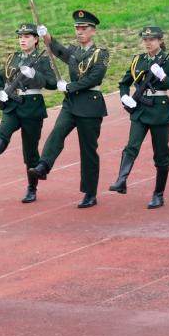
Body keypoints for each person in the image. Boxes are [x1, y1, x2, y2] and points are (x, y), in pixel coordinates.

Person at [28, 11, 109, 209]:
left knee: (88, 151)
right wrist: (47, 37)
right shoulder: (74, 51)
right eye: (77, 28)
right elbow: (60, 51)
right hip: (72, 103)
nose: (80, 32)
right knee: (57, 132)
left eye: (84, 28)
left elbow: (94, 78)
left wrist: (70, 86)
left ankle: (90, 193)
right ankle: (43, 166)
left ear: (93, 31)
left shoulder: (101, 54)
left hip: (90, 104)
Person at [0, 23, 56, 204]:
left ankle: (32, 188)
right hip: (12, 105)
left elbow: (52, 83)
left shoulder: (42, 59)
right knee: (2, 132)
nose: (22, 39)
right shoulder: (12, 58)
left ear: (36, 39)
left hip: (32, 106)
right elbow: (0, 77)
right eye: (20, 36)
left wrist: (34, 75)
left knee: (30, 151)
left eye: (27, 36)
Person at [111, 26, 169, 209]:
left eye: (151, 40)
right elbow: (124, 83)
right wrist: (124, 97)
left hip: (160, 110)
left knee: (161, 154)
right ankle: (121, 180)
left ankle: (158, 194)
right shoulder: (138, 60)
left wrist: (164, 77)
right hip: (140, 109)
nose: (148, 43)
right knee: (131, 146)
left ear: (160, 40)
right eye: (145, 40)